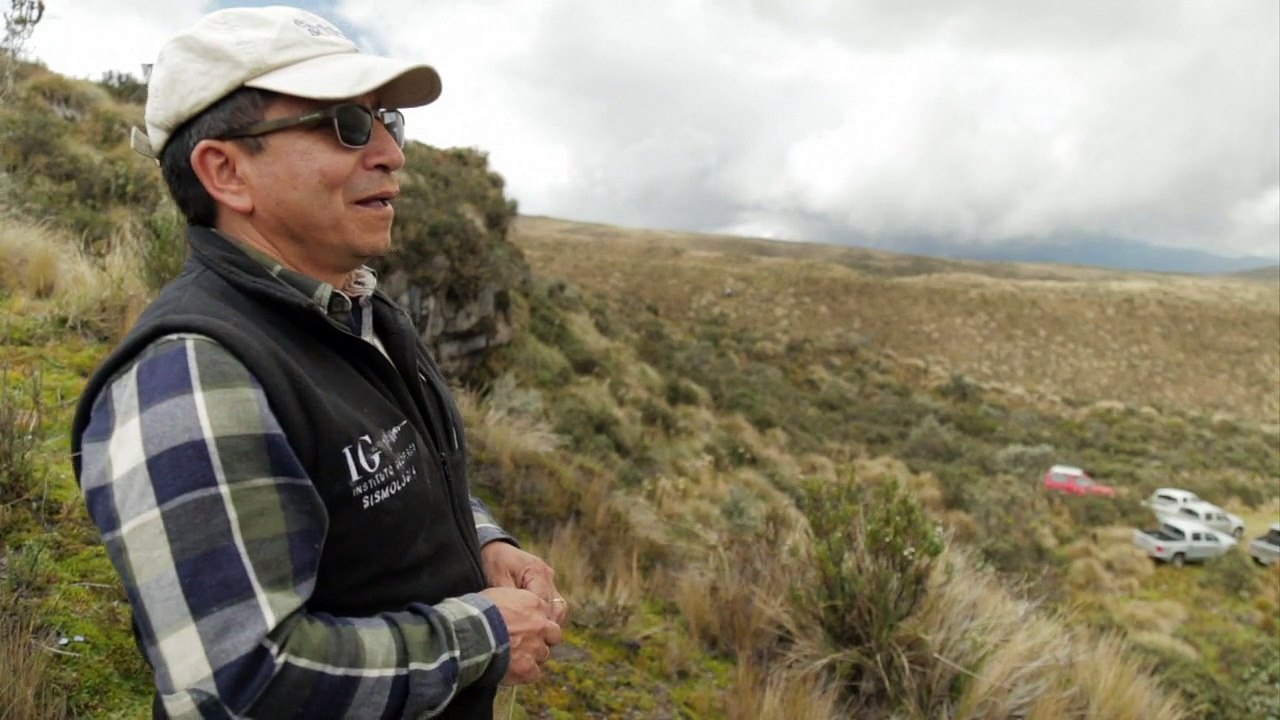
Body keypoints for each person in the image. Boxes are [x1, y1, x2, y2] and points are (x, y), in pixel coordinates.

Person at [69, 6, 567, 718]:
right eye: (346, 125)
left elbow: (385, 472)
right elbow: (244, 679)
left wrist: (481, 542)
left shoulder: (356, 308)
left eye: (385, 122)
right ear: (226, 172)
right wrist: (483, 635)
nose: (391, 154)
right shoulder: (190, 376)